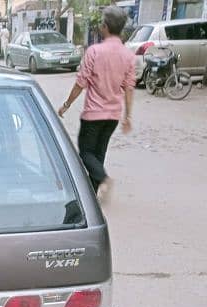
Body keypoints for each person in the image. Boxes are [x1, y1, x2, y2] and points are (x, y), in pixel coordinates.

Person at [58, 7, 134, 202]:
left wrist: (66, 104)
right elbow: (129, 88)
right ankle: (92, 196)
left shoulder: (94, 52)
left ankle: (103, 178)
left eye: (101, 23)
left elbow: (80, 83)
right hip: (113, 117)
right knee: (98, 155)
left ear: (105, 27)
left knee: (85, 152)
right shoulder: (128, 55)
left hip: (93, 115)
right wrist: (127, 116)